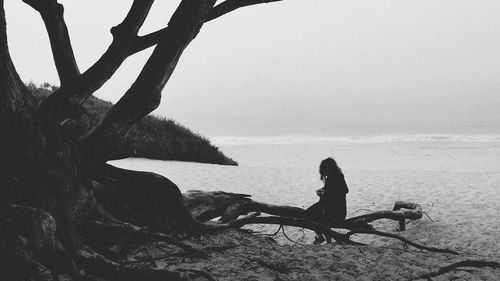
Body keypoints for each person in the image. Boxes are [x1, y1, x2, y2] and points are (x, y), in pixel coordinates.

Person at [305, 157, 349, 244]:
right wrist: (325, 190)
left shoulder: (333, 177)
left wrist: (321, 194)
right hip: (338, 208)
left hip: (335, 209)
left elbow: (330, 197)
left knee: (309, 215)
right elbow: (343, 190)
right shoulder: (337, 175)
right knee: (319, 218)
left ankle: (322, 238)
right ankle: (325, 240)